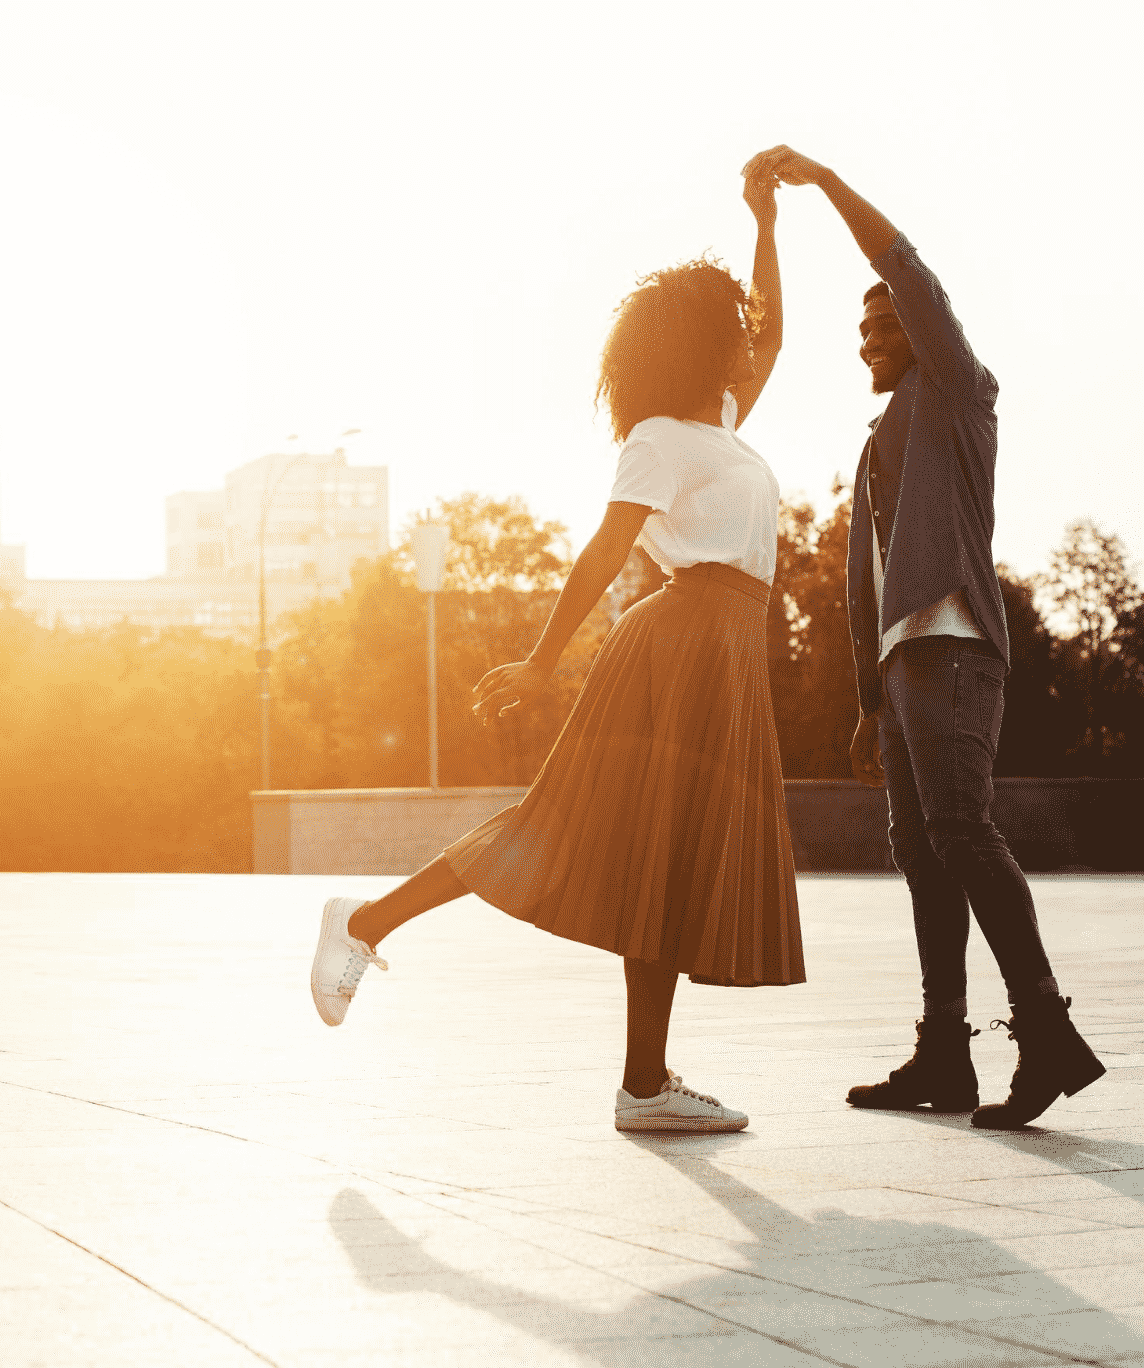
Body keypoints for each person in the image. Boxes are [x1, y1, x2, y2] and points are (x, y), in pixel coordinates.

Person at [309, 166, 804, 1134]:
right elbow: (604, 551)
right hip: (677, 642)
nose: (744, 333)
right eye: (727, 323)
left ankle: (643, 1085)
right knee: (554, 828)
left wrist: (763, 220)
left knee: (662, 862)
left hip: (726, 650)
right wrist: (539, 663)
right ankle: (360, 924)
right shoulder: (659, 438)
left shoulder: (722, 423)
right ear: (693, 341)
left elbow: (773, 328)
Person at [745, 145, 1104, 1130]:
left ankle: (1045, 1031)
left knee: (957, 830)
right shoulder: (876, 442)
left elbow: (902, 262)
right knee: (919, 847)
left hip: (953, 649)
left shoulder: (953, 389)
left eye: (875, 326)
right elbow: (867, 586)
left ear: (916, 327)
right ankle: (943, 1052)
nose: (863, 344)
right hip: (906, 667)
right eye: (857, 332)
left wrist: (819, 186)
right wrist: (867, 702)